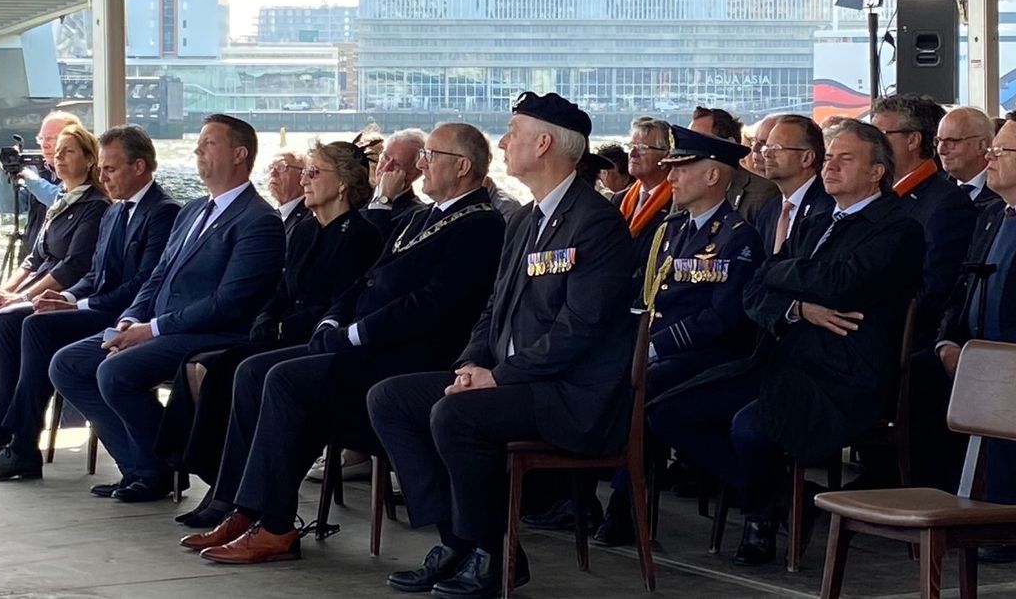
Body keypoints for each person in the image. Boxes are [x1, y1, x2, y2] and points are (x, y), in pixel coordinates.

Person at [177, 123, 504, 564]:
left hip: (408, 354)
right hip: (367, 344)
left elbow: (434, 304)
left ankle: (273, 524)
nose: (420, 165)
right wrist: (334, 318)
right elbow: (366, 281)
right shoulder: (423, 216)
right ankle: (246, 507)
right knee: (253, 370)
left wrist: (354, 332)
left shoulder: (480, 223)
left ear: (462, 166)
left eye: (430, 155)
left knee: (285, 380)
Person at [367, 93, 634, 597]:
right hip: (513, 383)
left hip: (569, 394)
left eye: (513, 132)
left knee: (455, 416)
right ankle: (458, 541)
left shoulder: (595, 222)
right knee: (391, 398)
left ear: (545, 142)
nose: (504, 142)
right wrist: (472, 362)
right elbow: (494, 309)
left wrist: (497, 377)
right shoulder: (524, 219)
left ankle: (495, 555)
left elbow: (581, 329)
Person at [648, 120, 924, 567]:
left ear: (876, 171)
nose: (830, 166)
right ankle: (786, 500)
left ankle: (759, 520)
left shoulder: (896, 228)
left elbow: (838, 283)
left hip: (841, 374)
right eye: (829, 157)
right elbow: (754, 288)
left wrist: (785, 280)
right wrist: (798, 309)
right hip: (783, 359)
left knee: (750, 426)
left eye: (844, 159)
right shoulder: (817, 222)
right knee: (668, 413)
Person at [49, 115, 285, 503]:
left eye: (209, 143)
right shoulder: (192, 211)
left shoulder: (259, 220)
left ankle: (164, 461)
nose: (197, 150)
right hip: (159, 325)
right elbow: (157, 277)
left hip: (211, 334)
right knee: (68, 364)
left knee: (115, 373)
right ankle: (146, 467)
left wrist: (153, 329)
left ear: (239, 154)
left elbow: (229, 303)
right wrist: (131, 318)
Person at [156, 140, 382, 514]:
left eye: (313, 172)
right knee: (199, 363)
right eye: (305, 172)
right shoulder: (306, 230)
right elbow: (282, 288)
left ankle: (228, 491)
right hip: (282, 330)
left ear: (342, 183)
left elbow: (342, 303)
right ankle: (213, 476)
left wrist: (282, 327)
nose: (304, 180)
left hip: (313, 338)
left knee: (231, 368)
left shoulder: (360, 234)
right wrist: (266, 317)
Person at [0, 126, 180, 480]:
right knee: (13, 320)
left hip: (124, 314)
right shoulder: (117, 212)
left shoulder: (162, 212)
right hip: (97, 304)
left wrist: (79, 306)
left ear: (140, 166)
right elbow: (94, 273)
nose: (103, 177)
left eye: (111, 169)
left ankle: (23, 445)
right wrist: (66, 296)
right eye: (101, 169)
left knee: (36, 325)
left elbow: (144, 282)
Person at [594, 125, 764, 547]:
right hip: (664, 352)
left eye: (682, 169)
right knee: (625, 388)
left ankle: (624, 505)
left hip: (715, 359)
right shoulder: (671, 230)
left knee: (642, 392)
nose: (670, 177)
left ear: (712, 176)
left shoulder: (736, 237)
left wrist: (653, 346)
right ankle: (622, 504)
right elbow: (646, 297)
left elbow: (720, 317)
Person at [910, 119, 1016, 509]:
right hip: (970, 356)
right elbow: (962, 286)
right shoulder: (991, 214)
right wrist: (946, 342)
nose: (991, 159)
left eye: (1002, 152)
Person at [0, 124, 110, 383]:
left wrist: (20, 298)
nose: (58, 158)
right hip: (37, 281)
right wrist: (4, 291)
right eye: (56, 151)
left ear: (90, 158)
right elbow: (34, 257)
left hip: (61, 293)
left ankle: (7, 405)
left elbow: (71, 267)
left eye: (68, 152)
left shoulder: (94, 206)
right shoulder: (61, 199)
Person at [871, 94, 976, 346]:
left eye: (879, 136)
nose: (870, 146)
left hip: (906, 344)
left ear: (913, 140)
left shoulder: (946, 202)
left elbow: (934, 290)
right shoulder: (882, 196)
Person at [0, 111, 80, 259]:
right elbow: (5, 206)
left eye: (51, 138)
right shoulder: (42, 171)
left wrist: (31, 179)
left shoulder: (84, 173)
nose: (45, 144)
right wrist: (5, 170)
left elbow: (62, 201)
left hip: (64, 259)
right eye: (41, 138)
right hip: (33, 255)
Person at [754, 115, 834, 254]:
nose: (767, 154)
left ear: (807, 158)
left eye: (777, 148)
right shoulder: (769, 210)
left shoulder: (827, 208)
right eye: (767, 147)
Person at [614, 117, 672, 305]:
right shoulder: (619, 200)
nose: (632, 153)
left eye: (643, 148)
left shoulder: (676, 205)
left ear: (666, 156)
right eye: (631, 145)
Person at [689, 106, 778, 222]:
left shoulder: (764, 194)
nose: (691, 149)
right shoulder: (688, 188)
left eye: (699, 142)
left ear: (728, 145)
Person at [363, 128, 426, 237]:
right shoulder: (356, 194)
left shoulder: (416, 215)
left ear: (415, 173)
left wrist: (384, 199)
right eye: (385, 158)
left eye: (397, 164)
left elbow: (371, 244)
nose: (386, 168)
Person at [935, 106, 999, 209]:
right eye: (939, 141)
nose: (941, 150)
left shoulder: (1005, 190)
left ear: (981, 145)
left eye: (951, 141)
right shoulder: (934, 191)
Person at [267, 151, 311, 234]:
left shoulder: (311, 217)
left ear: (302, 174)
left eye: (281, 167)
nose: (272, 173)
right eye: (270, 168)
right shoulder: (266, 214)